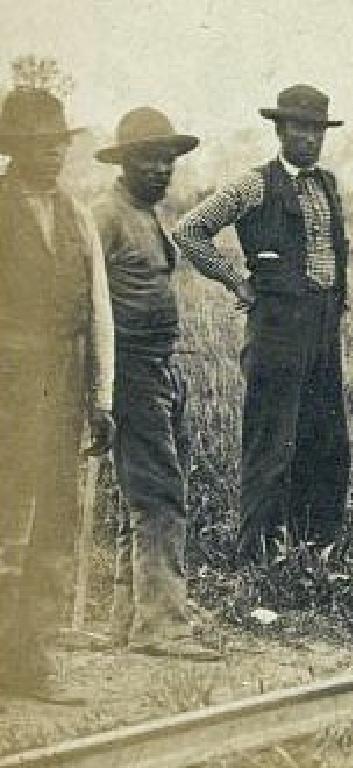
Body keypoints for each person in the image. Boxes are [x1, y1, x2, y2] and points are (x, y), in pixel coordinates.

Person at [174, 84, 351, 561]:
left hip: (322, 328)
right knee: (271, 438)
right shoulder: (254, 183)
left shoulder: (327, 184)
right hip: (276, 328)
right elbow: (189, 231)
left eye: (316, 129)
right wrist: (237, 281)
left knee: (325, 435)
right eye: (299, 127)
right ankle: (256, 551)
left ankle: (316, 547)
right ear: (279, 129)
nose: (309, 138)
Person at [91, 107, 221, 660]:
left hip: (163, 367)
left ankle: (127, 621)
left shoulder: (150, 215)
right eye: (147, 157)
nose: (160, 167)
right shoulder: (104, 217)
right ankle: (163, 626)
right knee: (159, 495)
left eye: (166, 158)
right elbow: (84, 303)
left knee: (140, 498)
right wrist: (98, 386)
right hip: (131, 372)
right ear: (125, 161)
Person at [0, 88, 115, 703]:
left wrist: (103, 397)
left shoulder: (77, 214)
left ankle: (32, 664)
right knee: (4, 528)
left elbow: (98, 310)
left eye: (58, 145)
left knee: (52, 528)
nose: (51, 156)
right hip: (6, 394)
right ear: (13, 148)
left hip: (62, 395)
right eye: (38, 145)